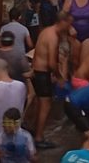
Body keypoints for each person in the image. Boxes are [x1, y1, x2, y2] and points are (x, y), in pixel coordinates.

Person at [31, 11, 75, 149]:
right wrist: (59, 76)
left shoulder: (45, 31)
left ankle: (34, 130)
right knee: (46, 105)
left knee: (40, 103)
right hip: (43, 73)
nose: (70, 26)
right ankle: (38, 137)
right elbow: (51, 62)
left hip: (37, 72)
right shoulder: (53, 37)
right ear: (62, 22)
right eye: (69, 23)